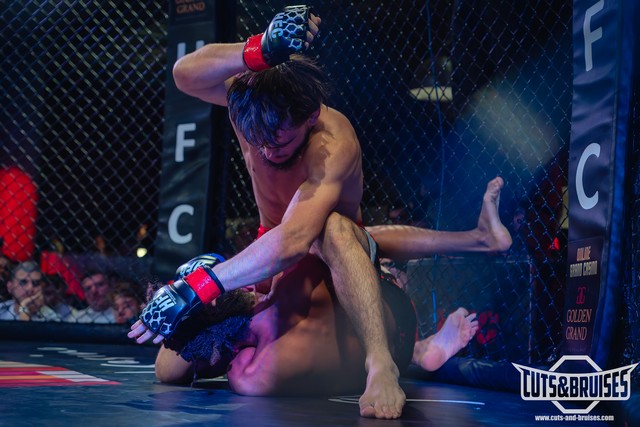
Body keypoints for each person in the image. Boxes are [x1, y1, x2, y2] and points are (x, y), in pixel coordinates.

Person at [131, 6, 411, 419]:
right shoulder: (250, 109)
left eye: (280, 142)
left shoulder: (332, 142)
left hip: (330, 259)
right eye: (257, 141)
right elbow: (184, 75)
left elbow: (295, 239)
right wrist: (259, 48)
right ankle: (246, 306)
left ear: (310, 116)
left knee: (331, 228)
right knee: (169, 369)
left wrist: (198, 286)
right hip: (272, 252)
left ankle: (380, 363)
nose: (266, 151)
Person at [132, 177, 511, 413]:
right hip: (390, 307)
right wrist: (208, 286)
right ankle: (477, 240)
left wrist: (185, 321)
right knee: (334, 233)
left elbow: (172, 364)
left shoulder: (245, 374)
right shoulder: (285, 284)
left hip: (388, 346)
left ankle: (416, 352)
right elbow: (326, 236)